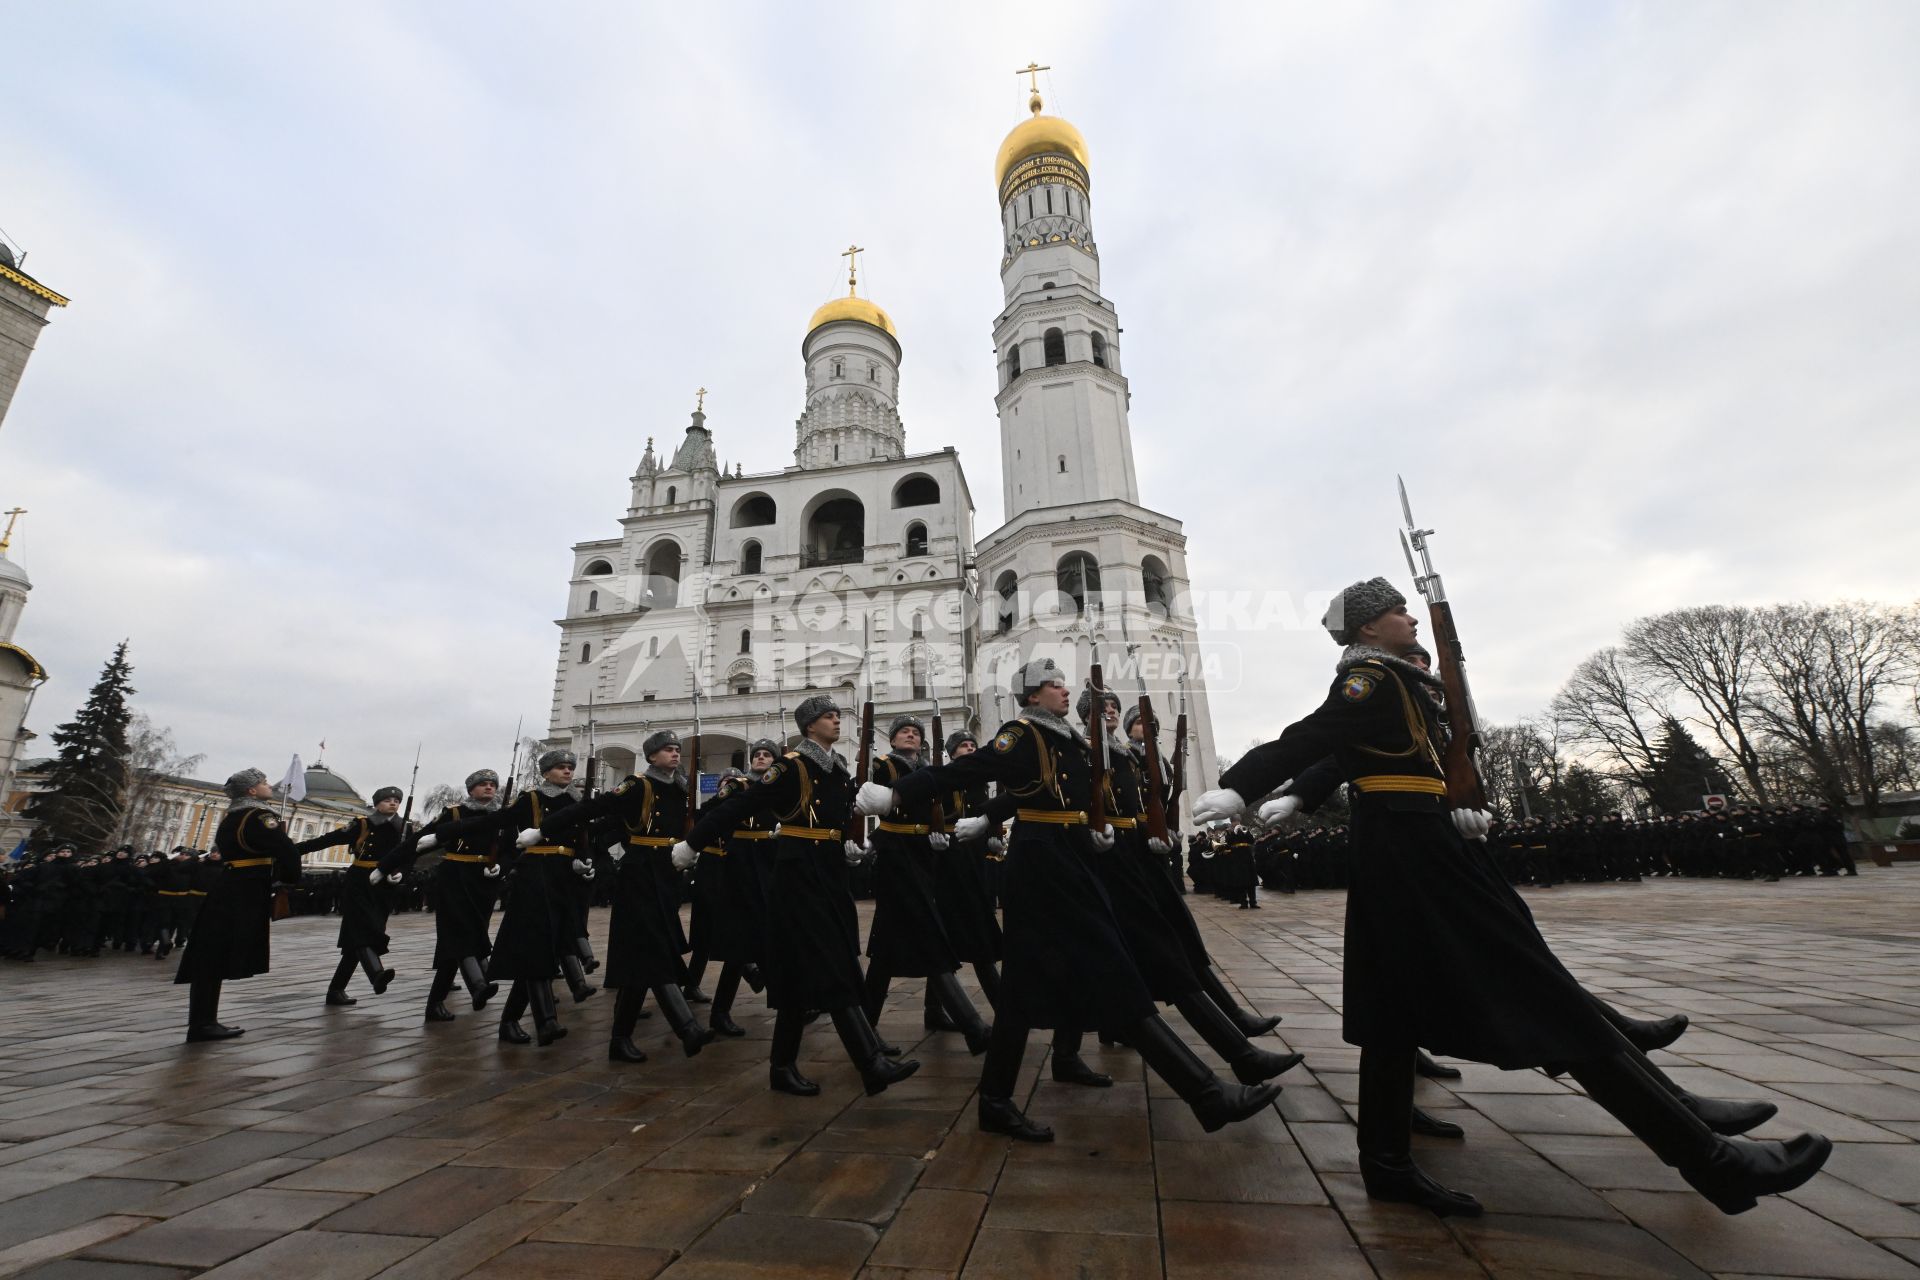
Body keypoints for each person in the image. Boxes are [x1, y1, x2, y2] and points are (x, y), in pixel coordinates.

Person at [1194, 577, 1830, 1217]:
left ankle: (1386, 1163)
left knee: (1395, 1012)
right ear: (1367, 629)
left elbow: (1408, 758)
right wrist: (1239, 788)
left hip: (1418, 847)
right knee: (1540, 996)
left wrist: (1457, 802)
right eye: (1396, 612)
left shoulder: (1405, 683)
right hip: (1412, 856)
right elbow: (1311, 737)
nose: (1409, 619)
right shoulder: (1372, 682)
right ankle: (1711, 1159)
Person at [857, 659, 1282, 1144]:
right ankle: (1207, 1094)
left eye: (1063, 684)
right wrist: (895, 795)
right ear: (1032, 695)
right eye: (1054, 685)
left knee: (1021, 990)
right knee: (1113, 971)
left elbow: (1073, 795)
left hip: (1070, 859)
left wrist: (1097, 829)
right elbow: (967, 769)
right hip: (1043, 865)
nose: (1064, 691)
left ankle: (995, 1099)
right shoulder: (1023, 734)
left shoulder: (1067, 740)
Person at [679, 695, 919, 1098]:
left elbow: (841, 818)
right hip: (798, 875)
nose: (836, 721)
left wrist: (850, 843)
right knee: (832, 963)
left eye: (836, 715)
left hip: (828, 872)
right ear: (810, 726)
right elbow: (740, 805)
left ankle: (783, 1067)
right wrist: (693, 843)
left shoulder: (838, 769)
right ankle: (871, 1062)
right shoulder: (791, 766)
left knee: (803, 972)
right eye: (828, 716)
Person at [529, 730, 715, 1063]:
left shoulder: (682, 789)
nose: (674, 754)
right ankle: (687, 1029)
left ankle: (620, 1039)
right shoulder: (637, 785)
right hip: (640, 876)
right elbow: (593, 809)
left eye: (677, 749)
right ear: (652, 756)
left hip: (668, 876)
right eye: (667, 750)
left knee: (643, 959)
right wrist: (545, 829)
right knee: (656, 950)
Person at [862, 714, 992, 1055]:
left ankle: (868, 1028)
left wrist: (940, 833)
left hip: (926, 857)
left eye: (916, 733)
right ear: (891, 740)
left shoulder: (932, 771)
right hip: (896, 856)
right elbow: (869, 797)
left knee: (888, 952)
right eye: (903, 731)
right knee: (931, 935)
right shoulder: (884, 766)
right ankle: (973, 1027)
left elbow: (946, 811)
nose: (911, 736)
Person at [174, 768, 304, 1042]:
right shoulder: (259, 816)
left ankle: (203, 1020)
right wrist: (289, 881)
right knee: (217, 953)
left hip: (228, 882)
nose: (269, 786)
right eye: (264, 783)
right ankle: (204, 1024)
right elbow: (287, 850)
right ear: (252, 791)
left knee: (210, 954)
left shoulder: (232, 816)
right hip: (247, 889)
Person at [296, 785, 411, 1006]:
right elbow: (329, 840)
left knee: (360, 938)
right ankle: (376, 974)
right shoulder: (363, 824)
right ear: (377, 804)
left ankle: (336, 990)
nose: (393, 803)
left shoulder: (405, 828)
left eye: (396, 800)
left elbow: (410, 855)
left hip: (385, 885)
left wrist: (401, 873)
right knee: (363, 930)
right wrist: (295, 849)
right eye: (387, 800)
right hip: (361, 880)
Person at [411, 769, 506, 1020]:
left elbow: (510, 847)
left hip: (483, 882)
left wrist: (500, 866)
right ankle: (478, 985)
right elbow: (422, 839)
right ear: (471, 789)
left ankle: (436, 1003)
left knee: (459, 941)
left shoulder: (501, 815)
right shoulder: (454, 813)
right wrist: (391, 866)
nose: (488, 788)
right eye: (483, 784)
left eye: (492, 785)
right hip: (455, 877)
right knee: (463, 935)